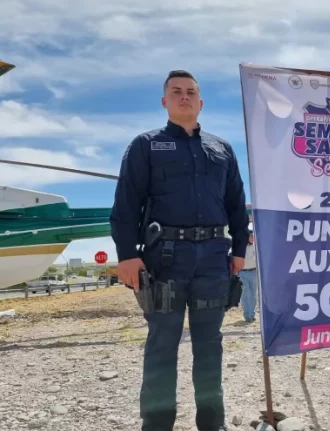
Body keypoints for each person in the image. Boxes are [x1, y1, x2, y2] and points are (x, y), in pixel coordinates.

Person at [109, 69, 250, 431]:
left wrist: (239, 250)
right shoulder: (146, 145)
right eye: (176, 92)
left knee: (210, 344)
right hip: (165, 259)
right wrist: (127, 255)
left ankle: (212, 424)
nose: (184, 96)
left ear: (200, 102)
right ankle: (157, 425)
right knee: (162, 344)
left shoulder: (222, 149)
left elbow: (236, 203)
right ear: (165, 101)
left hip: (214, 260)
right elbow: (126, 203)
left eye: (190, 92)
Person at [239, 222, 258, 322]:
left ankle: (252, 314)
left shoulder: (256, 247)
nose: (253, 238)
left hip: (254, 273)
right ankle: (247, 315)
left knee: (253, 294)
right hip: (242, 273)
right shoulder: (241, 247)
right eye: (251, 236)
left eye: (253, 236)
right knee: (246, 294)